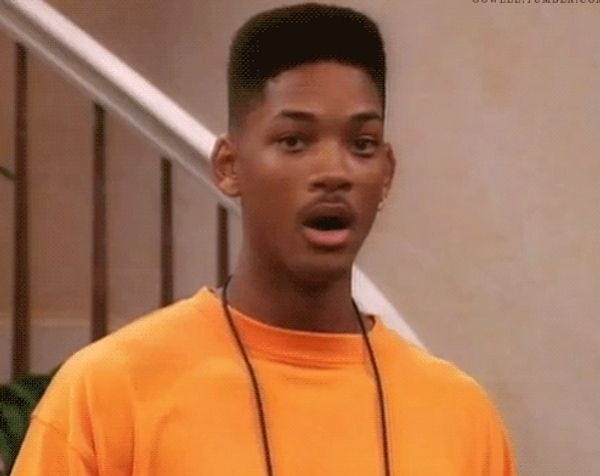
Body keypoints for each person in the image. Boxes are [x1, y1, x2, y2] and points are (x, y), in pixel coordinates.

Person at [12, 3, 516, 475]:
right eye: (294, 141)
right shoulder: (108, 393)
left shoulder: (461, 417)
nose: (334, 172)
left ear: (386, 174)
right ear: (229, 167)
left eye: (361, 144)